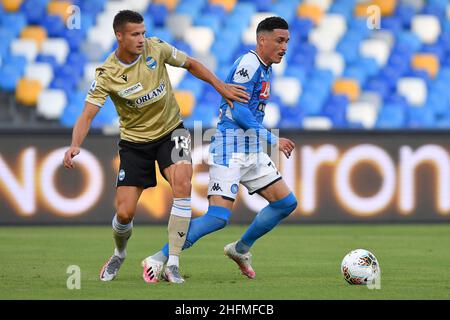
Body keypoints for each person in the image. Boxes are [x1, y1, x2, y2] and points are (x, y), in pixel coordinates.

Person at [62, 10, 249, 284]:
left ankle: (173, 262)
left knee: (183, 184)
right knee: (125, 212)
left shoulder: (156, 48)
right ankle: (119, 252)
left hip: (172, 131)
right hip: (135, 143)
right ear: (119, 36)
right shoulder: (107, 74)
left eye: (143, 32)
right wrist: (74, 145)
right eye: (135, 34)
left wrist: (221, 87)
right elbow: (87, 114)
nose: (141, 39)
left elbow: (192, 64)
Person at [146, 16, 297, 281]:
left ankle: (240, 249)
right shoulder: (249, 65)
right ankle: (158, 259)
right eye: (279, 40)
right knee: (217, 217)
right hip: (230, 148)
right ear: (262, 40)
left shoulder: (264, 67)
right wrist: (273, 139)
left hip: (250, 148)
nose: (284, 46)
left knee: (285, 203)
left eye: (286, 41)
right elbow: (238, 112)